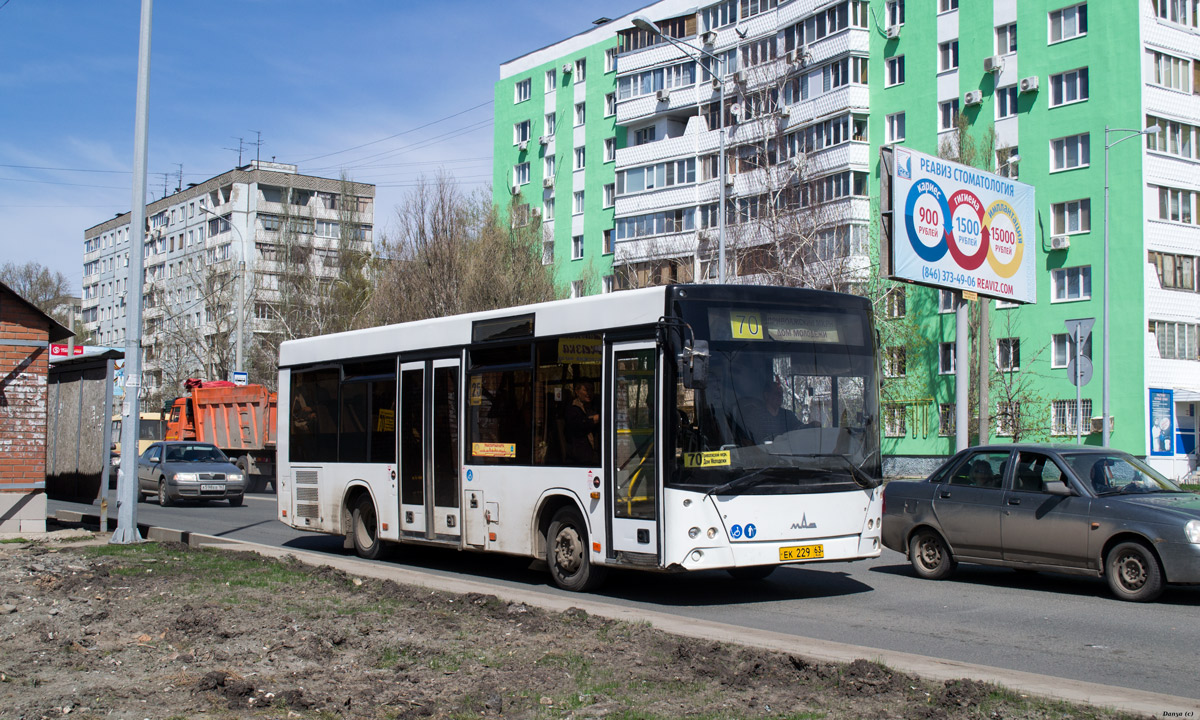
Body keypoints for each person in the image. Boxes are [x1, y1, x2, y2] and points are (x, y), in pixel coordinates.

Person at [564, 380, 600, 466]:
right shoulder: (572, 408)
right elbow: (577, 426)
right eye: (586, 390)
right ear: (577, 391)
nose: (589, 393)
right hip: (580, 456)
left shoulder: (595, 407)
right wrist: (593, 420)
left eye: (591, 390)